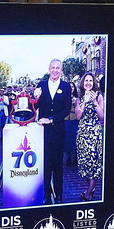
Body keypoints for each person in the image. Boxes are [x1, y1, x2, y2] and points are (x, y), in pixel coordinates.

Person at [36, 59, 73, 204]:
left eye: (58, 68)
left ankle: (58, 194)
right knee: (45, 164)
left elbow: (66, 110)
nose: (55, 70)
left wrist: (51, 119)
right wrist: (35, 96)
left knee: (58, 165)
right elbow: (36, 106)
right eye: (53, 68)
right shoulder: (41, 85)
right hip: (43, 133)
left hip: (58, 132)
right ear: (49, 69)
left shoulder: (66, 86)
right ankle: (46, 194)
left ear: (61, 70)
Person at [75, 72, 105, 201]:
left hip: (95, 134)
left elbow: (102, 115)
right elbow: (78, 116)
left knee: (95, 164)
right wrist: (84, 102)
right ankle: (91, 190)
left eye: (90, 81)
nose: (88, 83)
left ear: (94, 83)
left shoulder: (99, 96)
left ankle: (88, 193)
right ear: (82, 83)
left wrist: (93, 102)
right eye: (86, 80)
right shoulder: (78, 99)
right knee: (86, 164)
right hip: (83, 135)